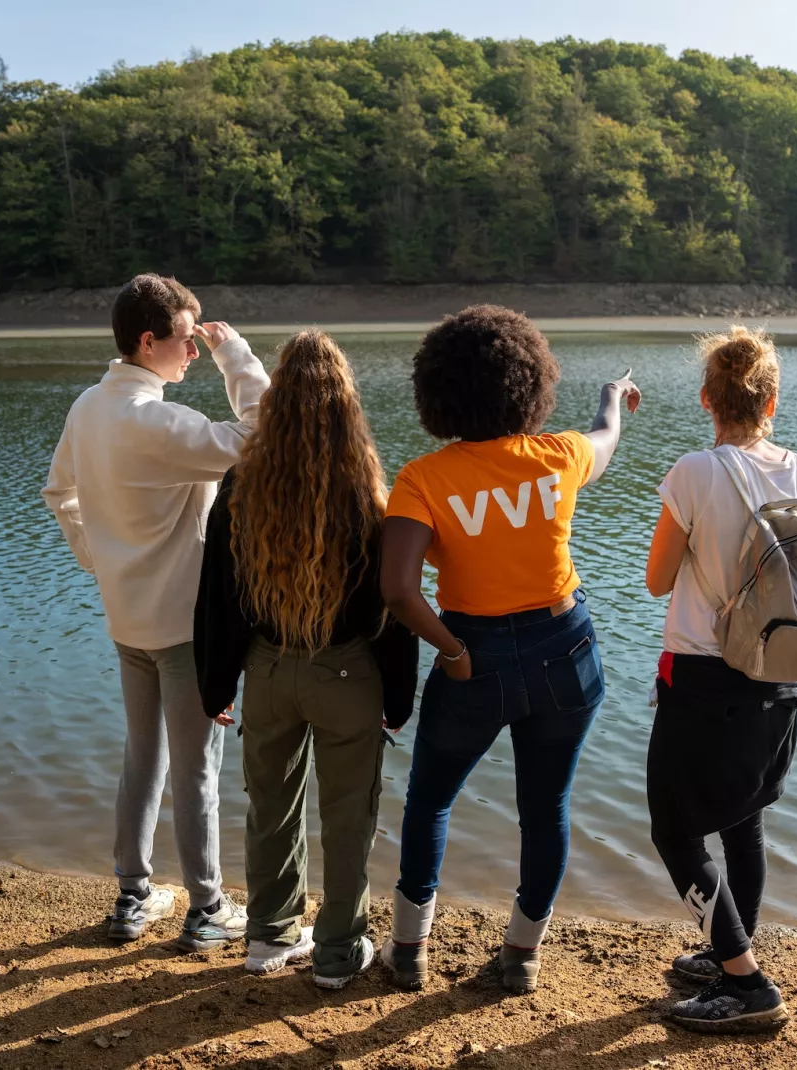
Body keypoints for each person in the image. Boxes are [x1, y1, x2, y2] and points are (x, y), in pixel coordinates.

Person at [378, 305, 640, 994]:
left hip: (473, 652)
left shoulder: (422, 479)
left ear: (437, 392)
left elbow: (400, 589)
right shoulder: (558, 456)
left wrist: (451, 651)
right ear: (530, 385)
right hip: (565, 648)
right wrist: (613, 396)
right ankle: (521, 957)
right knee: (546, 806)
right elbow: (606, 437)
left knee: (430, 802)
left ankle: (409, 954)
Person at [41, 273, 268, 950]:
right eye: (186, 339)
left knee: (143, 758)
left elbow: (59, 492)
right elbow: (263, 434)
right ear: (149, 340)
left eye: (201, 343)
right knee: (197, 770)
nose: (193, 352)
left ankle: (132, 897)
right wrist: (239, 358)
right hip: (184, 629)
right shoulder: (163, 423)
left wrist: (98, 559)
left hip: (126, 619)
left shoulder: (89, 407)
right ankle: (206, 910)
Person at [193, 329, 419, 988]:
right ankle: (337, 953)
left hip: (266, 669)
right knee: (349, 818)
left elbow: (218, 599)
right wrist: (400, 698)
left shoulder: (240, 486)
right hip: (348, 673)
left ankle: (267, 937)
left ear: (278, 403)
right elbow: (394, 610)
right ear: (347, 405)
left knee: (270, 807)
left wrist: (216, 685)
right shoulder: (369, 492)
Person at [642, 325, 797, 1032]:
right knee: (741, 821)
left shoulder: (696, 471)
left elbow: (659, 579)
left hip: (702, 677)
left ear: (705, 400)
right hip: (777, 678)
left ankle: (746, 981)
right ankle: (731, 950)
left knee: (673, 831)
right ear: (770, 401)